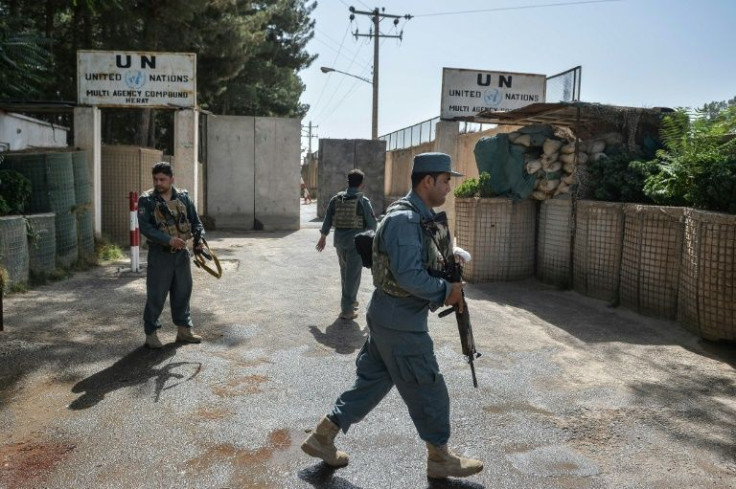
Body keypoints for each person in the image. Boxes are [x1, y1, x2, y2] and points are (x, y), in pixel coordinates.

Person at [302, 153, 484, 480]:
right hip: (401, 323)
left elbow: (422, 262)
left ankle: (322, 437)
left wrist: (448, 267)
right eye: (445, 181)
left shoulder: (418, 214)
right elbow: (409, 276)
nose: (448, 188)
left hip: (390, 317)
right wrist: (447, 292)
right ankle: (439, 457)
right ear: (427, 181)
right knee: (429, 388)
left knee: (371, 383)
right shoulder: (406, 220)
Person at [137, 162, 205, 349]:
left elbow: (196, 222)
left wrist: (199, 240)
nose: (158, 183)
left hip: (181, 255)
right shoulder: (147, 200)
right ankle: (151, 333)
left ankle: (184, 330)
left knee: (183, 291)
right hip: (160, 255)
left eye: (162, 179)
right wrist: (168, 240)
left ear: (171, 179)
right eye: (155, 179)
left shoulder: (183, 197)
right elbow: (146, 228)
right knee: (156, 295)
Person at [316, 169, 377, 320]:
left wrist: (323, 237)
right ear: (361, 184)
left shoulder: (337, 199)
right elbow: (372, 225)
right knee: (352, 276)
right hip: (355, 244)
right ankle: (347, 309)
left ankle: (350, 300)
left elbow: (328, 219)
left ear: (348, 182)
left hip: (340, 242)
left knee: (345, 273)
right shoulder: (363, 201)